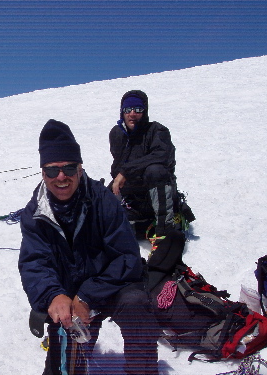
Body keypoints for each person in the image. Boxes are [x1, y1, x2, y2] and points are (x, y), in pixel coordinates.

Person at [18, 119, 160, 375]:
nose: (61, 177)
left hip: (110, 288)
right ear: (42, 172)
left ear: (80, 169)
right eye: (52, 170)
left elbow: (127, 257)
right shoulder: (35, 214)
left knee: (136, 302)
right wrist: (53, 295)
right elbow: (34, 264)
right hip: (67, 298)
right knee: (64, 369)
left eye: (69, 168)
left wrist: (87, 296)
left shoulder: (103, 200)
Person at [109, 90, 191, 246]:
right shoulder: (116, 134)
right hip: (133, 199)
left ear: (144, 111)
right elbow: (117, 166)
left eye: (138, 109)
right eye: (128, 110)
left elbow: (162, 156)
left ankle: (165, 231)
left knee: (155, 171)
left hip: (157, 193)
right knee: (102, 202)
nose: (132, 114)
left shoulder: (157, 131)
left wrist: (126, 172)